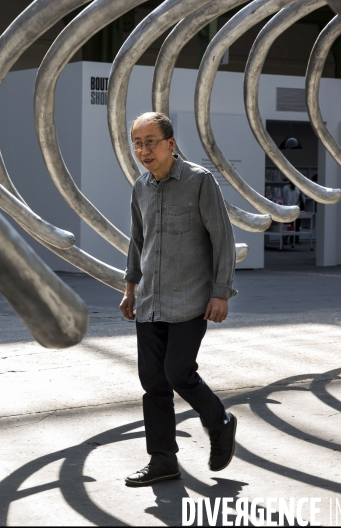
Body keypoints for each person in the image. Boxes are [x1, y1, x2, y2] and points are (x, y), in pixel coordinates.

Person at [119, 111, 238, 487]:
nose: (143, 150)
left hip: (190, 299)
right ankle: (163, 460)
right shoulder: (140, 187)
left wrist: (221, 292)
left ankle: (218, 422)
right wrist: (130, 287)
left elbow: (222, 239)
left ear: (170, 143)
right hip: (150, 300)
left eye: (150, 141)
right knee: (152, 381)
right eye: (137, 143)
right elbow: (138, 242)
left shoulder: (200, 182)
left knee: (178, 373)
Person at [282, 180, 305, 245]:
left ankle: (288, 238)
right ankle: (293, 239)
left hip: (288, 209)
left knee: (289, 225)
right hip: (294, 209)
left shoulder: (285, 188)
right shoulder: (296, 189)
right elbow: (301, 199)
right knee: (294, 225)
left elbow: (285, 199)